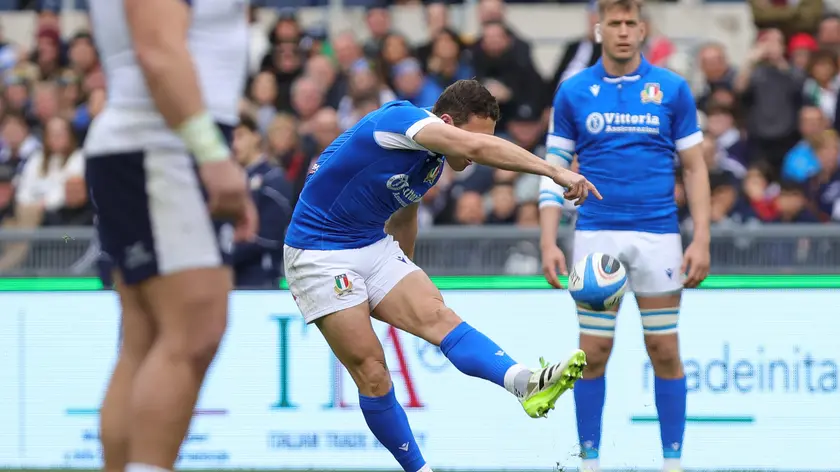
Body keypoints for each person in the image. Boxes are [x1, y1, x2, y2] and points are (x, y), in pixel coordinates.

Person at [284, 79, 600, 472]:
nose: (476, 154)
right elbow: (475, 149)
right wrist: (554, 171)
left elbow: (405, 213)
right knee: (373, 372)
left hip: (370, 242)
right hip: (318, 252)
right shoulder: (402, 120)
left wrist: (402, 282)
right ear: (446, 123)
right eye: (473, 139)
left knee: (439, 316)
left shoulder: (432, 161)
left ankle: (525, 383)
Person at [537, 0, 712, 471]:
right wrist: (548, 239)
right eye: (613, 23)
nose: (622, 31)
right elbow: (553, 168)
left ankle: (672, 464)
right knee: (593, 353)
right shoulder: (573, 91)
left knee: (665, 349)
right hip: (596, 234)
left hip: (660, 233)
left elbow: (695, 168)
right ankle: (589, 462)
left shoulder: (672, 89)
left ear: (642, 29)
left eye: (630, 23)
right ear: (599, 29)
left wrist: (701, 238)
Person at [84, 2, 256, 472]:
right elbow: (157, 48)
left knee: (145, 339)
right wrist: (212, 154)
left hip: (158, 141)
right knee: (195, 328)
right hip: (163, 142)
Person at [231, 115, 293, 288]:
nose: (234, 144)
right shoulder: (231, 181)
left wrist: (224, 255)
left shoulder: (273, 180)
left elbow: (268, 239)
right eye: (231, 137)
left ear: (256, 136)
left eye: (240, 136)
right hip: (232, 279)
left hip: (261, 282)